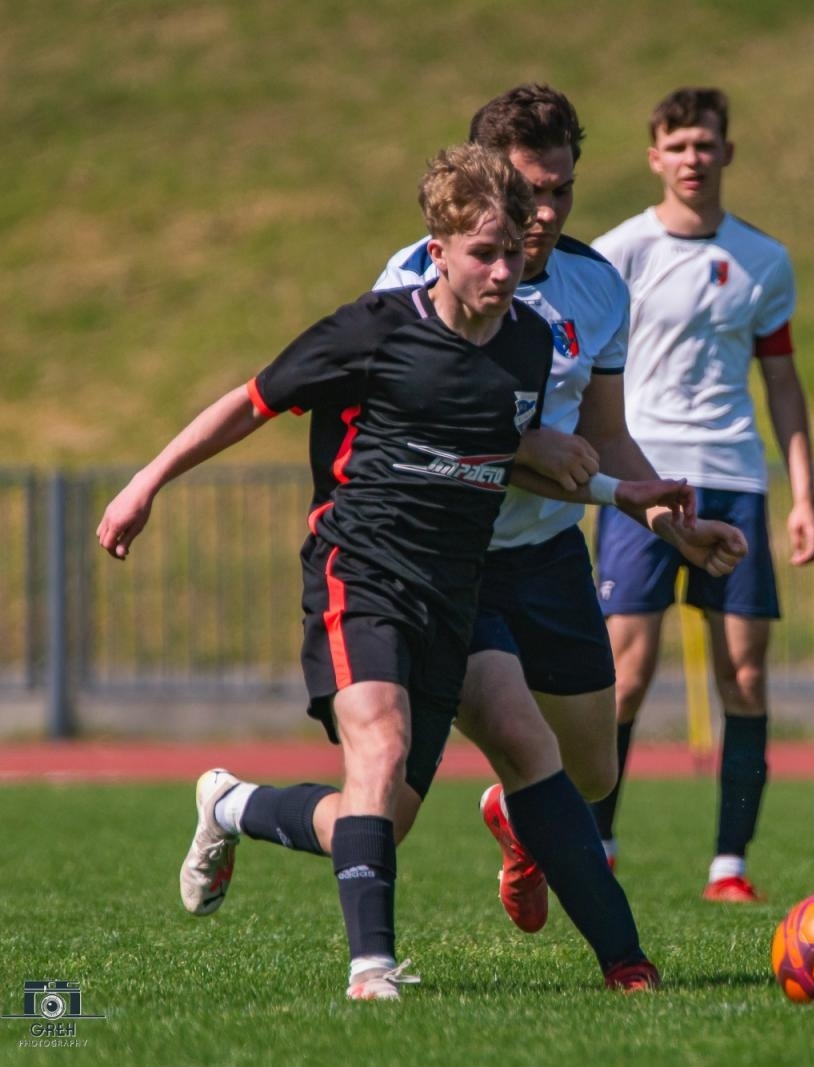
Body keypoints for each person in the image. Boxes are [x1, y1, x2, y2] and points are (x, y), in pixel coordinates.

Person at [182, 86, 749, 995]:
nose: (547, 214)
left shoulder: (595, 285)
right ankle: (245, 813)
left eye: (562, 190)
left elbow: (605, 435)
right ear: (482, 191)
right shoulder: (410, 276)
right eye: (531, 192)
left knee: (594, 771)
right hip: (450, 555)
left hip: (551, 549)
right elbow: (418, 413)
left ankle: (519, 821)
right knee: (392, 808)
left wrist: (662, 518)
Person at [97, 143, 576, 1000]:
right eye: (488, 250)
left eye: (517, 250)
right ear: (439, 251)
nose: (508, 268)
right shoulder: (371, 327)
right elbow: (252, 401)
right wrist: (148, 480)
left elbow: (493, 447)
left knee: (374, 816)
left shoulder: (527, 343)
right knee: (381, 747)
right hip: (362, 570)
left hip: (449, 588)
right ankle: (371, 971)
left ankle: (231, 805)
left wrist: (620, 488)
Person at [590, 87, 814, 902]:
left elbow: (785, 384)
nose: (693, 157)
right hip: (642, 478)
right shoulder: (615, 254)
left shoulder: (766, 261)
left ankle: (730, 863)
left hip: (733, 475)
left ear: (729, 153)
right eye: (678, 143)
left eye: (706, 143)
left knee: (746, 678)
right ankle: (598, 838)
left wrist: (803, 494)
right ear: (654, 155)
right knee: (624, 670)